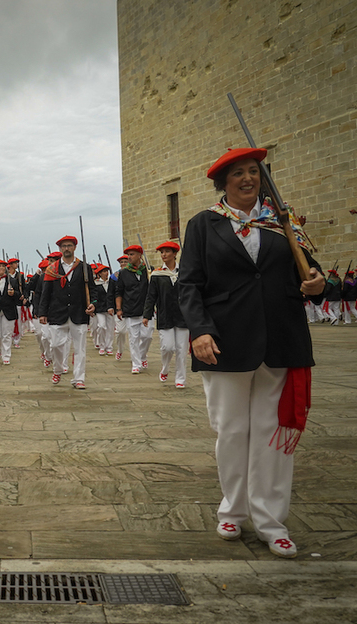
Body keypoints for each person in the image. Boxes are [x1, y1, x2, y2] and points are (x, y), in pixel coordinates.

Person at [179, 147, 325, 559]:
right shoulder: (204, 225)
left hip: (281, 340)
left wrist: (316, 283)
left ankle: (271, 520)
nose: (248, 179)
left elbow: (311, 273)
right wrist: (200, 331)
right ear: (223, 183)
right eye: (239, 173)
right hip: (225, 341)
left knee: (272, 433)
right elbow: (188, 285)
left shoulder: (282, 224)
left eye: (254, 173)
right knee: (233, 430)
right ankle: (233, 510)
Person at [36, 235, 96, 389]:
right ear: (60, 249)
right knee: (55, 345)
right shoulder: (52, 269)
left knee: (80, 348)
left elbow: (93, 290)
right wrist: (42, 312)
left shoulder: (84, 267)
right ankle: (57, 368)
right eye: (64, 246)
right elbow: (46, 293)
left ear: (75, 247)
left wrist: (93, 304)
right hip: (57, 313)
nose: (66, 248)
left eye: (69, 245)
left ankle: (78, 379)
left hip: (79, 313)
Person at [143, 241, 189, 388]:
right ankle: (165, 367)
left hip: (183, 316)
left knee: (182, 349)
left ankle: (180, 379)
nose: (163, 255)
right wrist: (147, 314)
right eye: (162, 252)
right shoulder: (157, 274)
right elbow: (151, 296)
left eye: (167, 252)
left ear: (175, 254)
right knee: (167, 347)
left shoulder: (185, 272)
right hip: (165, 314)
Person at [115, 244, 152, 374]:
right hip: (130, 310)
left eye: (132, 254)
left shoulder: (148, 271)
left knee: (147, 336)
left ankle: (142, 356)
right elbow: (119, 292)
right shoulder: (124, 273)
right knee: (133, 338)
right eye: (128, 254)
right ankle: (136, 363)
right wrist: (119, 309)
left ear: (139, 256)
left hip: (146, 310)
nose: (129, 257)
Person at [0, 259, 19, 365]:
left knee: (7, 334)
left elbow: (19, 295)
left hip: (9, 310)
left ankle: (6, 356)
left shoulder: (12, 281)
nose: (1, 268)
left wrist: (13, 293)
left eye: (3, 266)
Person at [91, 264, 113, 355]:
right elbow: (94, 296)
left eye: (107, 271)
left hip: (110, 309)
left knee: (110, 329)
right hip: (100, 309)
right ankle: (102, 345)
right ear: (99, 274)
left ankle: (109, 347)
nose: (106, 273)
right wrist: (94, 306)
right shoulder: (96, 284)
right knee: (101, 327)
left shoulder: (112, 283)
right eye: (104, 271)